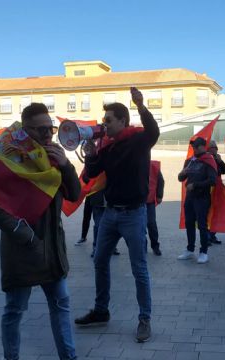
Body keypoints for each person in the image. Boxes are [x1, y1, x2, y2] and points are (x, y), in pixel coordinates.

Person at [0, 103, 80, 360]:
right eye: (42, 130)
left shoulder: (53, 157)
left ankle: (69, 357)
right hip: (21, 251)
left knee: (61, 306)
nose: (49, 135)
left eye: (51, 129)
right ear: (25, 130)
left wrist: (66, 166)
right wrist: (28, 238)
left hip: (53, 251)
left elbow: (75, 194)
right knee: (14, 310)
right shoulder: (9, 158)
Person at [75, 87, 158, 344]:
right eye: (104, 121)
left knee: (139, 269)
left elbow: (154, 131)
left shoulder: (139, 139)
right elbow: (90, 174)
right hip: (110, 214)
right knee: (100, 261)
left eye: (108, 120)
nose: (104, 125)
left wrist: (141, 105)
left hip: (134, 214)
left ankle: (144, 318)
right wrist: (89, 154)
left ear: (123, 121)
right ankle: (101, 310)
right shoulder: (107, 148)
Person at [177, 137, 217, 264]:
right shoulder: (190, 161)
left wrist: (195, 185)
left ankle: (203, 252)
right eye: (193, 147)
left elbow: (212, 181)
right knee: (189, 223)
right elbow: (180, 178)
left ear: (202, 147)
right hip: (190, 198)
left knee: (202, 225)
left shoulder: (209, 160)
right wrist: (183, 173)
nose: (194, 149)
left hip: (202, 198)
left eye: (196, 147)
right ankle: (190, 249)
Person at [207, 140, 225, 244]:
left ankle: (212, 235)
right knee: (208, 211)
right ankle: (206, 236)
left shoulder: (217, 158)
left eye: (216, 148)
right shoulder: (205, 159)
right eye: (213, 148)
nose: (215, 149)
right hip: (208, 188)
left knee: (217, 211)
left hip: (218, 188)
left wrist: (220, 161)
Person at [146, 160, 164, 256]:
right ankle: (142, 246)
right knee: (139, 226)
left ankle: (155, 246)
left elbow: (160, 180)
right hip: (136, 202)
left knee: (151, 224)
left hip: (149, 201)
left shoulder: (153, 166)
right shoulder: (133, 162)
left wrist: (159, 195)